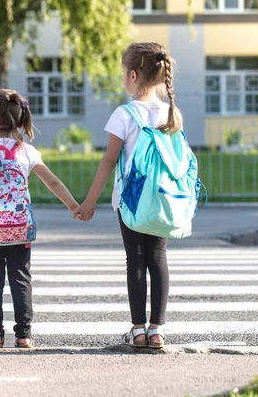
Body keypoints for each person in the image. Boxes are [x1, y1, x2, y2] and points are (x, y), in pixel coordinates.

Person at [73, 42, 184, 349]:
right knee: (158, 258)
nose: (123, 77)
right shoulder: (171, 113)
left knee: (135, 260)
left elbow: (109, 161)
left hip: (131, 202)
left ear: (134, 75)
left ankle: (137, 330)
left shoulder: (125, 114)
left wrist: (89, 202)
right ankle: (157, 330)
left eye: (124, 72)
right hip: (162, 199)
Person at [0, 89, 86, 348]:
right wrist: (74, 206)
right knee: (21, 280)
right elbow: (51, 181)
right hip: (19, 230)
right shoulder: (26, 151)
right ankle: (24, 334)